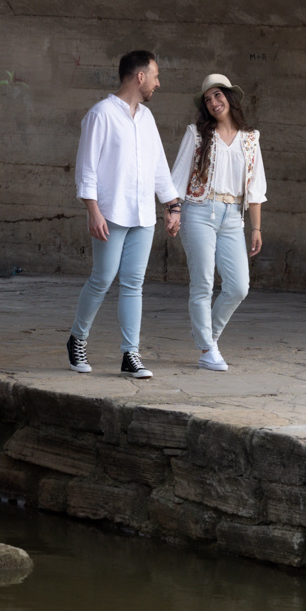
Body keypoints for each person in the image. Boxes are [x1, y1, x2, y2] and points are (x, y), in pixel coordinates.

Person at [68, 50, 181, 378]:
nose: (158, 83)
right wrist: (93, 211)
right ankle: (78, 337)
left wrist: (172, 206)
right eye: (155, 76)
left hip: (143, 215)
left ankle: (130, 354)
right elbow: (86, 168)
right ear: (140, 76)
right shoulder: (101, 115)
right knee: (102, 278)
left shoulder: (146, 118)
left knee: (134, 283)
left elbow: (159, 166)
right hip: (111, 213)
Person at [169, 73, 266, 371]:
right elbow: (178, 177)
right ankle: (207, 349)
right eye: (207, 99)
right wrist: (173, 209)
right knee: (203, 283)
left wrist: (256, 228)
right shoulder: (196, 135)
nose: (213, 102)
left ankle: (207, 337)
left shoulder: (250, 140)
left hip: (233, 217)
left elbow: (255, 189)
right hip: (199, 212)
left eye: (218, 95)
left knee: (239, 287)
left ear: (229, 97)